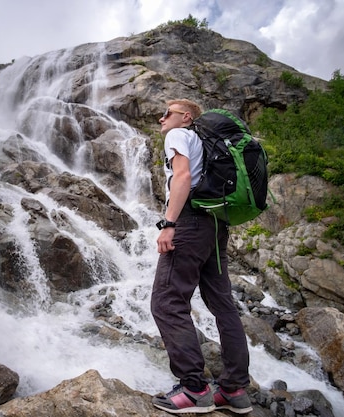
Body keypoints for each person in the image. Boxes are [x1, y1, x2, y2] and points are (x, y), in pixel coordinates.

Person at [150, 99, 253, 415]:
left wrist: (169, 224)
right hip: (215, 226)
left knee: (167, 302)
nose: (161, 117)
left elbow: (181, 178)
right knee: (223, 304)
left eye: (167, 112)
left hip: (191, 222)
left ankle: (194, 389)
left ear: (186, 117)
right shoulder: (208, 145)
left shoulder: (179, 135)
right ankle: (234, 390)